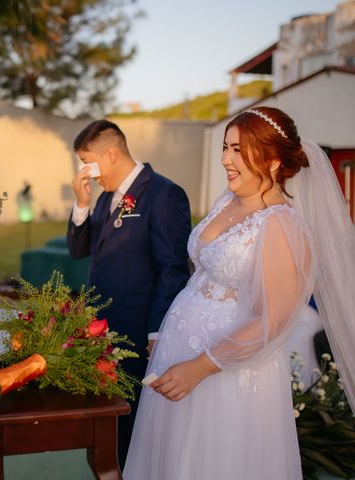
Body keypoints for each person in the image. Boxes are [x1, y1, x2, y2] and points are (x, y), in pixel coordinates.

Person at [124, 106, 355, 479]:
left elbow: (272, 320)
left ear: (274, 161)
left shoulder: (281, 226)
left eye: (238, 151)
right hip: (181, 354)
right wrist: (169, 332)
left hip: (227, 372)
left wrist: (198, 367)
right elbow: (202, 276)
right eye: (226, 148)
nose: (226, 160)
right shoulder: (227, 201)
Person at [66, 119, 191, 465]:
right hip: (104, 331)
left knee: (134, 424)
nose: (86, 172)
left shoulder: (164, 194)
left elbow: (173, 269)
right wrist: (81, 204)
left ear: (110, 153)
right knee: (111, 423)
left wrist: (157, 330)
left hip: (139, 332)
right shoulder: (106, 198)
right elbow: (80, 251)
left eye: (87, 162)